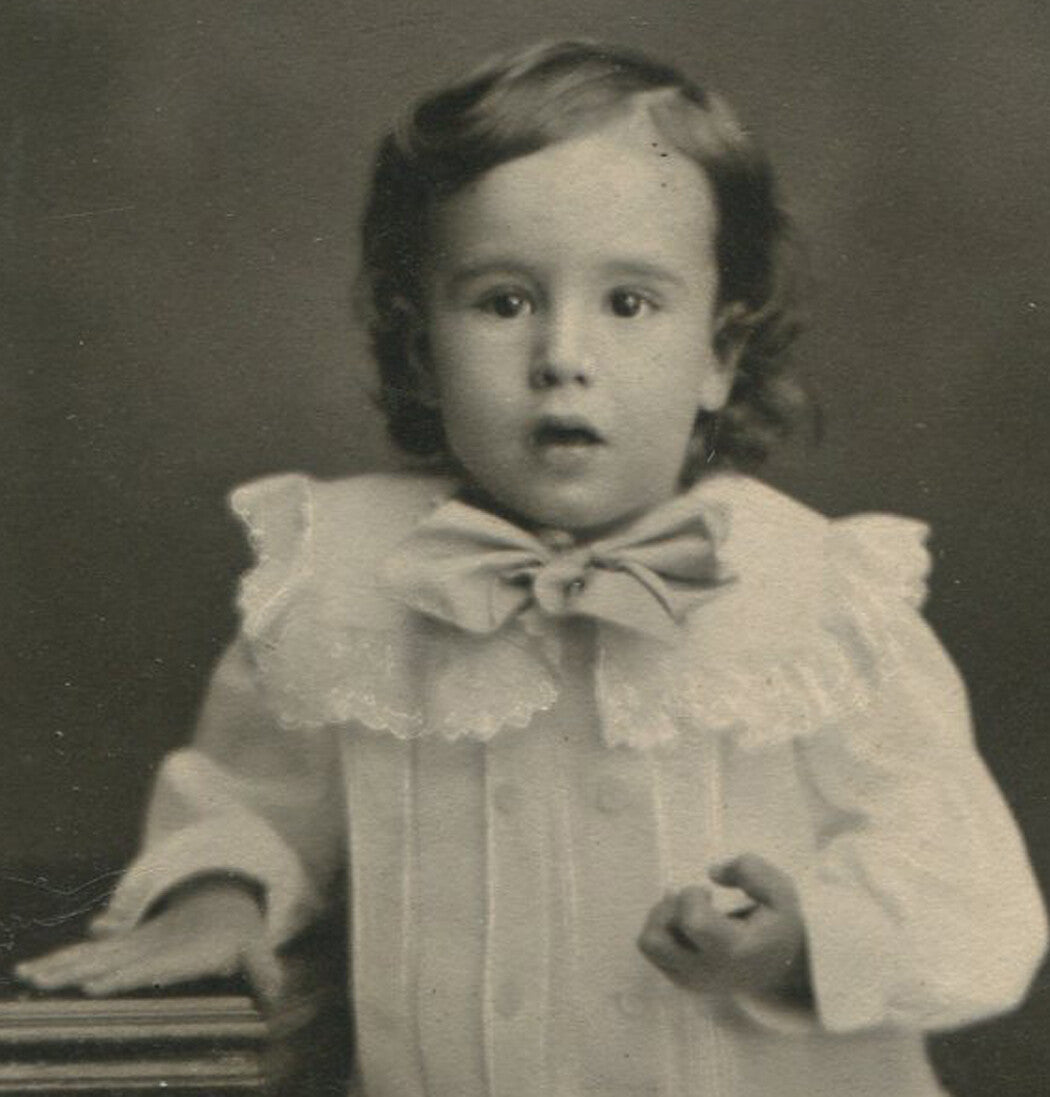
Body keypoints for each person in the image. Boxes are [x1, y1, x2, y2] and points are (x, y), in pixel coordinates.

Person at [17, 39, 1046, 1097]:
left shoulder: (816, 599)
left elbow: (968, 895)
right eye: (504, 301)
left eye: (629, 303)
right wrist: (218, 894)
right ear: (422, 349)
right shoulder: (346, 581)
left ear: (717, 355)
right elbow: (255, 796)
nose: (563, 353)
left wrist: (800, 945)